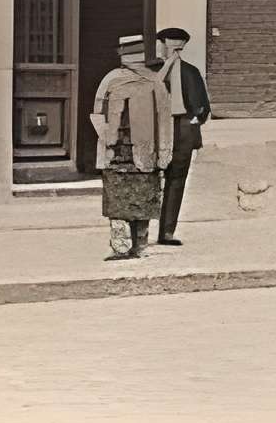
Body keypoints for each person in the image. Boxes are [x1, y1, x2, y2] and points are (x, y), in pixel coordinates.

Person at [89, 29, 175, 260]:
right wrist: (108, 139)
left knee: (139, 201)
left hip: (137, 155)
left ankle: (133, 246)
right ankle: (129, 246)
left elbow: (164, 121)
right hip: (122, 155)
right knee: (123, 202)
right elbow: (98, 113)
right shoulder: (118, 80)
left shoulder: (153, 83)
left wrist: (164, 152)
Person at [153, 25, 213, 247]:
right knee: (166, 181)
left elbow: (203, 108)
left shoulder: (186, 72)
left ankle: (163, 232)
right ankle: (158, 231)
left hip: (177, 131)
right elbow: (203, 108)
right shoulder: (163, 72)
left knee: (173, 180)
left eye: (163, 44)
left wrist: (193, 121)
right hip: (167, 130)